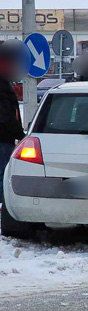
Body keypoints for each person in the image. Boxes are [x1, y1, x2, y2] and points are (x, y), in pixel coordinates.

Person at [0, 52, 24, 205]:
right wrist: (20, 134)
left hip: (5, 137)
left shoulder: (4, 85)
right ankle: (5, 209)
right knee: (3, 174)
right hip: (3, 137)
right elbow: (5, 116)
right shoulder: (2, 87)